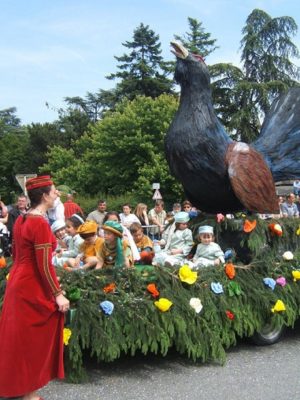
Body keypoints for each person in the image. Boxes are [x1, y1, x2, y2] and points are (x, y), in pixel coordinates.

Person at [0, 175, 69, 400]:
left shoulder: (22, 218)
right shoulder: (38, 222)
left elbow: (21, 256)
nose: (57, 193)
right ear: (45, 195)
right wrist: (58, 294)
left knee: (20, 339)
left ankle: (23, 390)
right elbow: (43, 266)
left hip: (18, 282)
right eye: (55, 190)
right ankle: (27, 394)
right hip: (30, 285)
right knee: (32, 339)